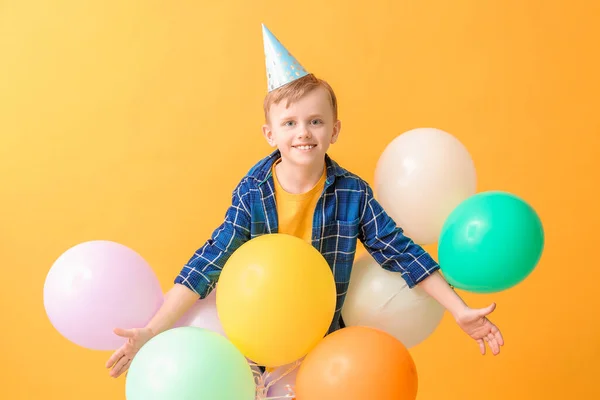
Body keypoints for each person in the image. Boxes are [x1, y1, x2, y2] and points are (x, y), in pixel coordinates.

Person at [106, 24, 503, 378]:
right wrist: (152, 331)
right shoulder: (252, 192)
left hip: (322, 344)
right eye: (290, 123)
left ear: (335, 130)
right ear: (269, 133)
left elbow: (401, 252)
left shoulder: (353, 193)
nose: (304, 133)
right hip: (253, 342)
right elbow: (208, 262)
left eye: (316, 121)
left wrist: (459, 310)